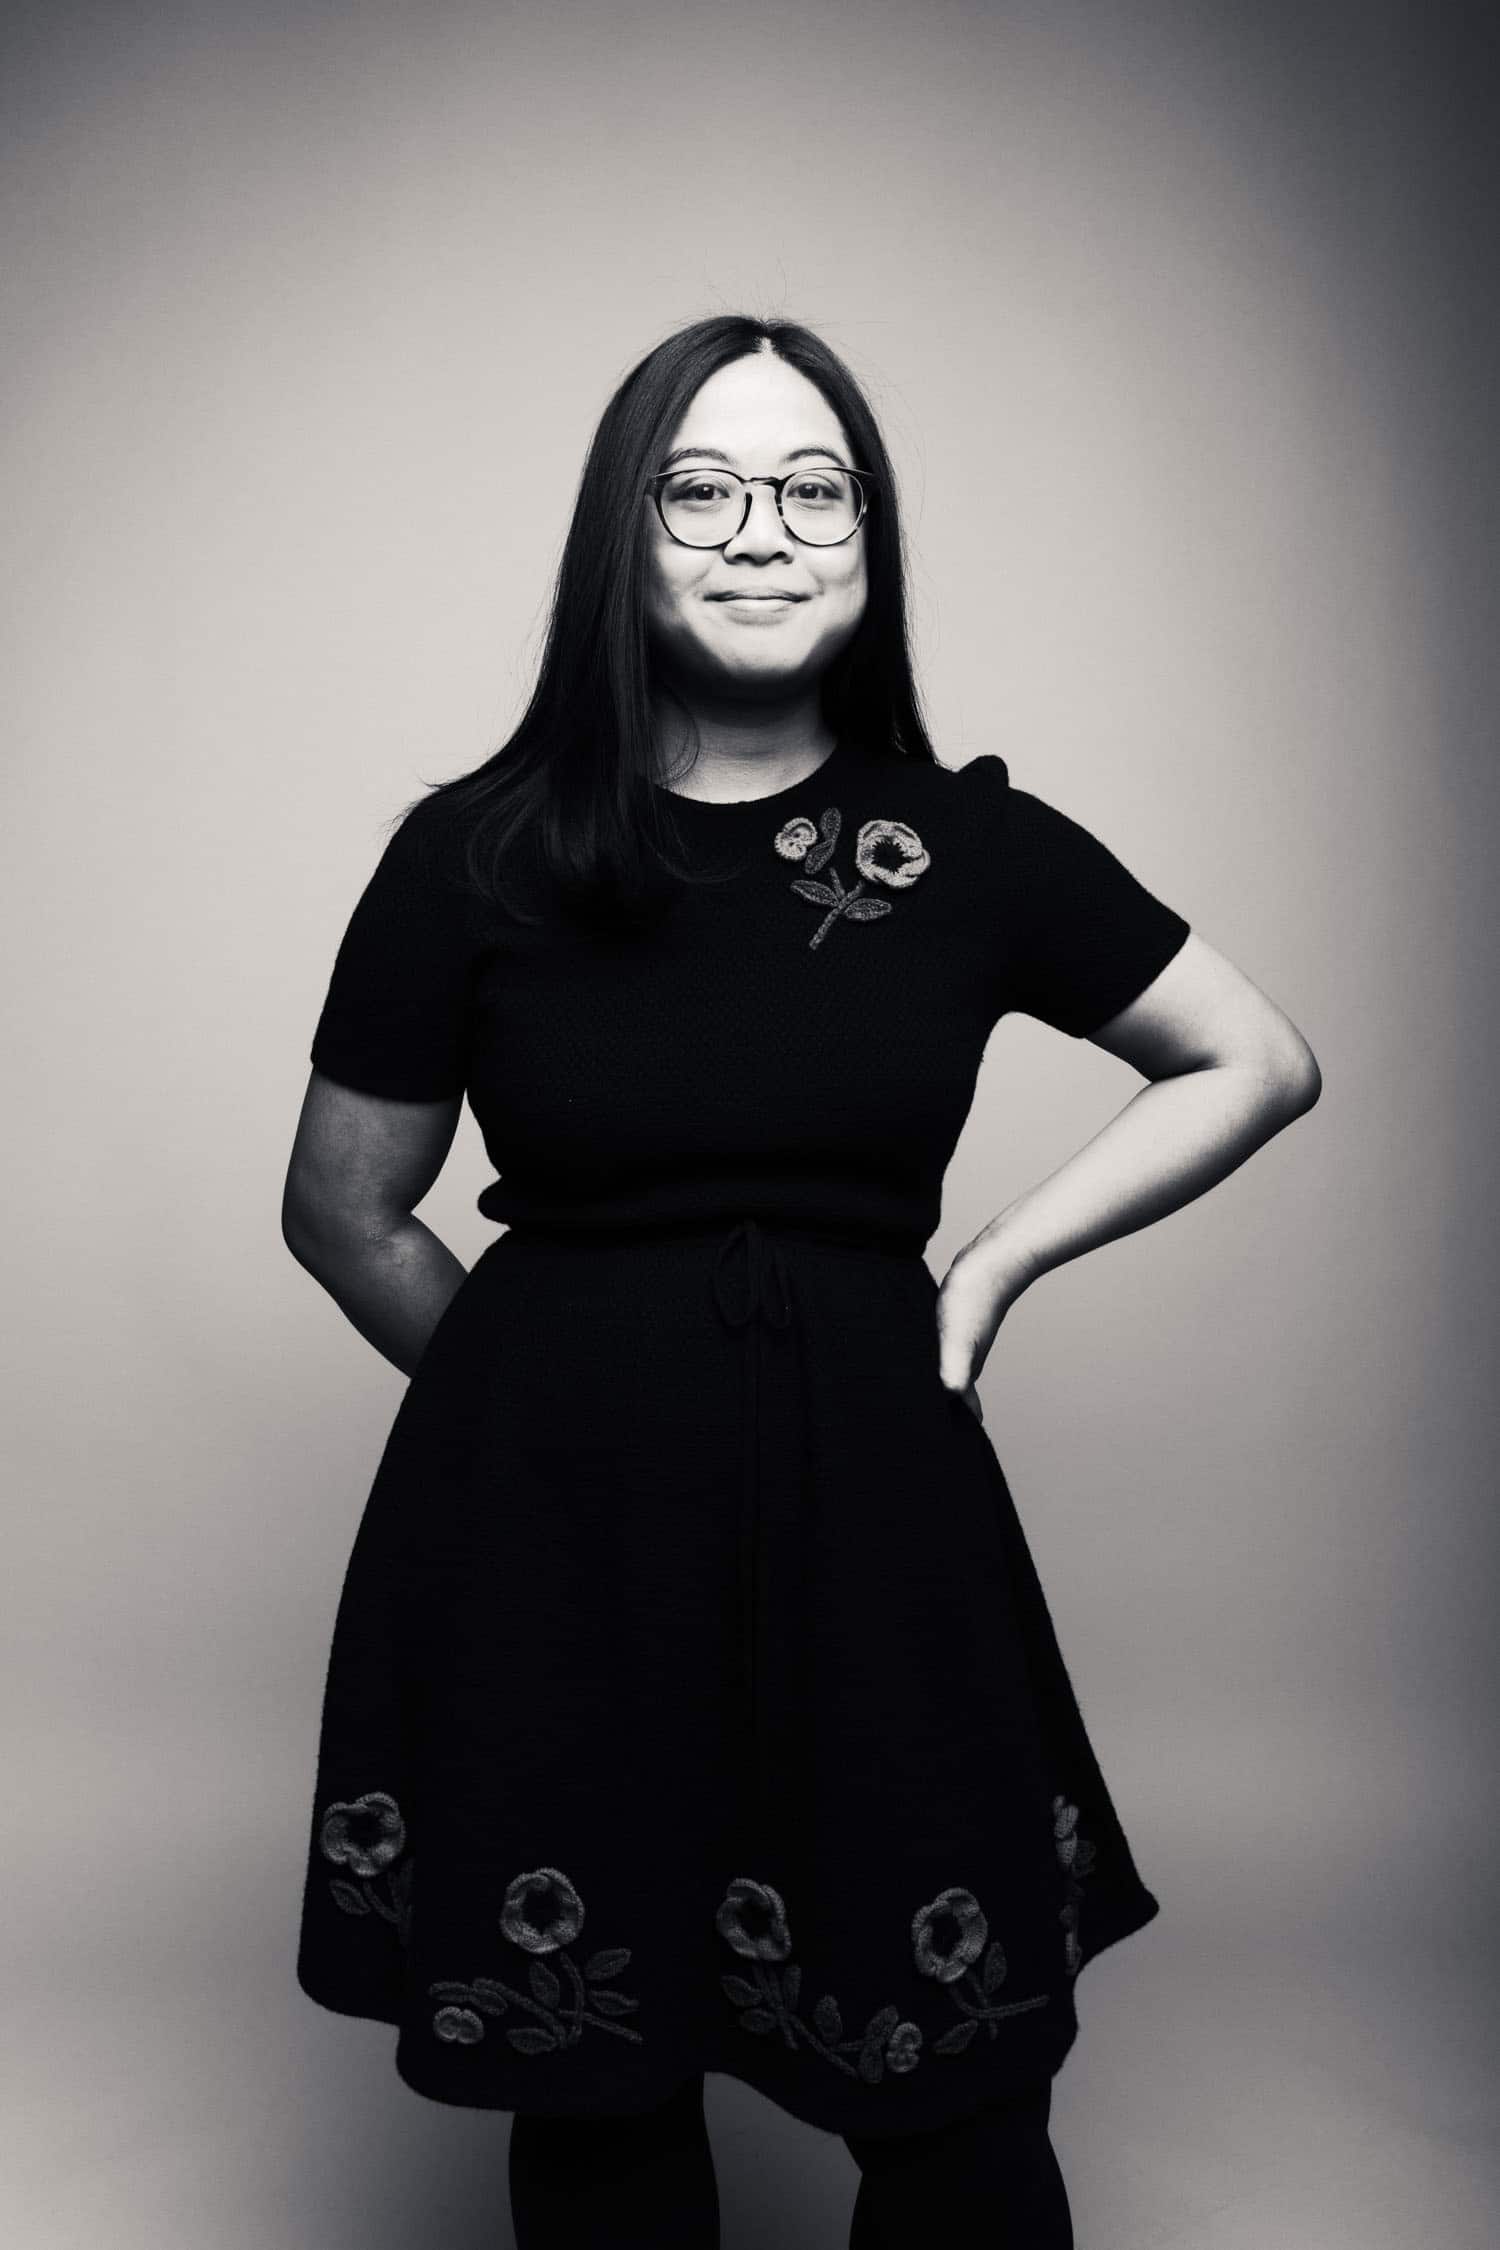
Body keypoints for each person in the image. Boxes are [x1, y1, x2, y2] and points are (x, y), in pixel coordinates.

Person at [283, 314, 1321, 2248]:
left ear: (869, 538)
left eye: (813, 488)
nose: (762, 530)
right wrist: (537, 1404)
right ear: (625, 539)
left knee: (962, 2100)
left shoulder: (973, 848)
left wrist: (998, 1256)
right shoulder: (475, 856)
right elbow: (344, 1208)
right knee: (596, 2086)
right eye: (701, 489)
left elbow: (1254, 1058)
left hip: (880, 1522)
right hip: (556, 1550)